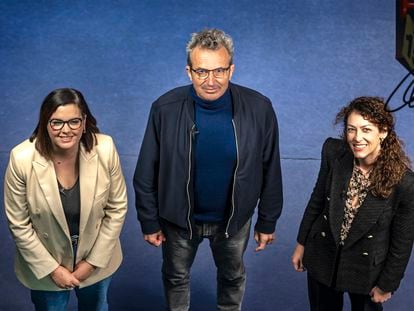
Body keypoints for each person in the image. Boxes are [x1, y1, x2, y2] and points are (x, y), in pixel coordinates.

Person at [133, 28, 283, 310]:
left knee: (232, 277)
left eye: (219, 71)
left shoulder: (259, 108)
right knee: (175, 277)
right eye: (201, 71)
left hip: (233, 220)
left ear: (232, 70)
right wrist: (149, 220)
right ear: (189, 72)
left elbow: (270, 168)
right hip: (178, 220)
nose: (211, 81)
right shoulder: (164, 109)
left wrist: (268, 221)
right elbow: (145, 171)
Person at [4, 88, 128, 311]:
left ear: (84, 122)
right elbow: (19, 224)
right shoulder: (21, 159)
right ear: (45, 123)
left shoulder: (105, 148)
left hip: (97, 259)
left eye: (73, 121)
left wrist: (91, 263)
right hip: (47, 265)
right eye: (56, 123)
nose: (65, 130)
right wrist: (52, 269)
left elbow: (117, 208)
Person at [291, 96, 414, 311]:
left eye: (366, 129)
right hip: (323, 256)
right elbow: (317, 201)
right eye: (351, 129)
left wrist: (388, 284)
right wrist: (301, 244)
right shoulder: (333, 152)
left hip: (367, 271)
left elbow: (402, 242)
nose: (357, 138)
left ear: (383, 132)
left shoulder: (405, 183)